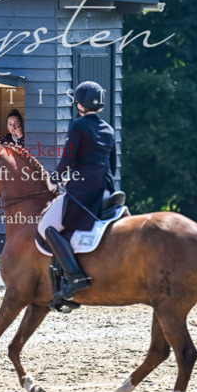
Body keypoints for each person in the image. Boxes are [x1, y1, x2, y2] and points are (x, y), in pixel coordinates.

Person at [45, 81, 116, 304]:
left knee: (51, 229)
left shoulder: (77, 126)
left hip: (84, 190)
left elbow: (68, 158)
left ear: (79, 104)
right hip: (106, 188)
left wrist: (54, 179)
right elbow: (112, 166)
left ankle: (74, 277)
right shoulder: (109, 129)